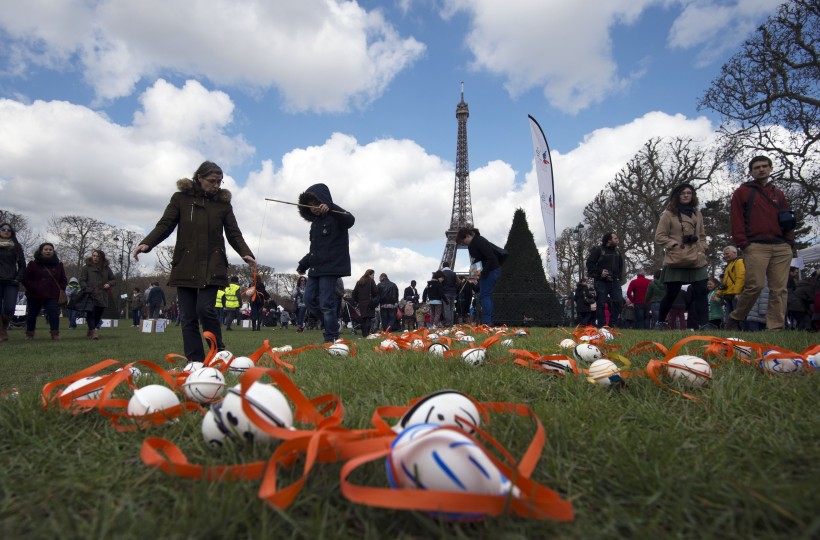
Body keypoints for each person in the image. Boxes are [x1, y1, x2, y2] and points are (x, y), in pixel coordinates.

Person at [133, 161, 256, 363]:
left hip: (213, 263)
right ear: (199, 177)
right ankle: (195, 361)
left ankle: (218, 353)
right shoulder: (180, 198)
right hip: (186, 263)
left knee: (205, 309)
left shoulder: (223, 204)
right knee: (188, 316)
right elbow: (165, 224)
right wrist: (147, 243)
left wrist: (245, 252)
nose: (216, 185)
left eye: (219, 181)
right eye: (212, 181)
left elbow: (234, 233)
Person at [726, 156, 794, 330]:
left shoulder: (778, 193)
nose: (761, 169)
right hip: (755, 245)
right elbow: (736, 219)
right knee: (755, 285)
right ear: (751, 172)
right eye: (757, 167)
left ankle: (775, 328)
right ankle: (736, 316)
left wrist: (789, 241)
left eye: (765, 166)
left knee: (779, 289)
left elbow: (786, 218)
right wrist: (743, 243)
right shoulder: (742, 192)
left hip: (781, 245)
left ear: (771, 168)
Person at [296, 183, 355, 343]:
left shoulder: (336, 216)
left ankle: (331, 337)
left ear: (324, 201)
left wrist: (331, 207)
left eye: (316, 203)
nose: (313, 208)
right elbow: (315, 251)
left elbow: (350, 219)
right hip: (315, 269)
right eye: (310, 205)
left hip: (330, 268)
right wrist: (303, 264)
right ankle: (332, 324)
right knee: (308, 300)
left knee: (326, 303)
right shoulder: (314, 224)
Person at [654, 184, 709, 330]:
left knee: (701, 291)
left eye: (689, 193)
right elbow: (659, 237)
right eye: (682, 193)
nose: (686, 195)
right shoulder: (668, 214)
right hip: (677, 258)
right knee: (672, 293)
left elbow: (702, 235)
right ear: (676, 196)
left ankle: (704, 324)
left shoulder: (698, 214)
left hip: (697, 258)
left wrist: (703, 247)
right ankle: (660, 321)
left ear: (693, 195)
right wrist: (676, 245)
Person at [456, 227, 502, 326]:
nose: (464, 244)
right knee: (485, 295)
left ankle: (487, 322)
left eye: (464, 242)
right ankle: (488, 321)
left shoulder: (479, 241)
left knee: (485, 295)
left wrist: (482, 273)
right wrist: (477, 272)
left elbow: (491, 258)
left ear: (468, 236)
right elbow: (479, 259)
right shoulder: (475, 243)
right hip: (489, 270)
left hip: (490, 271)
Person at [22, 242, 68, 341]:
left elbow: (63, 280)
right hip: (34, 294)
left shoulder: (59, 265)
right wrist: (33, 287)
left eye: (50, 250)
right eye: (46, 249)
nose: (48, 251)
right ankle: (30, 333)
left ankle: (55, 333)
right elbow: (25, 279)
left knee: (53, 314)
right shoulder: (33, 264)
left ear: (53, 252)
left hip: (52, 294)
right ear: (41, 251)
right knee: (32, 314)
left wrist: (60, 288)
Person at [585, 232, 625, 328]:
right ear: (609, 240)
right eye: (615, 238)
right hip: (601, 280)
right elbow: (589, 263)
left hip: (614, 280)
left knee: (619, 301)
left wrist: (618, 276)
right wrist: (600, 272)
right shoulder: (598, 250)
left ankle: (612, 323)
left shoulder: (617, 252)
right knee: (601, 303)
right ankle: (602, 325)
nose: (617, 240)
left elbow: (620, 265)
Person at [79, 249, 115, 340]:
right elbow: (82, 280)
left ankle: (91, 329)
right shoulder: (86, 267)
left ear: (101, 258)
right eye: (94, 255)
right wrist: (86, 288)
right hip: (90, 294)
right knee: (90, 313)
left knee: (98, 314)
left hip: (102, 294)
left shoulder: (106, 268)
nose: (95, 258)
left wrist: (109, 284)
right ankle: (94, 331)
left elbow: (113, 279)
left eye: (98, 256)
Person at [0, 223, 26, 342]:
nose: (6, 231)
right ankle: (1, 332)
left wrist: (18, 278)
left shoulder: (16, 246)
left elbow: (22, 265)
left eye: (9, 230)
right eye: (3, 229)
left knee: (9, 308)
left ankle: (4, 327)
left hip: (11, 281)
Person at [716, 246, 745, 327]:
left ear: (734, 252)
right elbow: (725, 281)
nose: (725, 256)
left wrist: (737, 292)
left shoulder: (739, 262)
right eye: (724, 254)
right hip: (729, 294)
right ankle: (732, 331)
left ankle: (740, 330)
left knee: (737, 315)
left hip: (735, 294)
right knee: (730, 316)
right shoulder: (729, 265)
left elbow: (741, 277)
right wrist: (719, 292)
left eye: (727, 254)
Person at [352, 270, 378, 337]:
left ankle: (364, 334)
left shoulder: (359, 282)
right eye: (373, 275)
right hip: (369, 303)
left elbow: (354, 293)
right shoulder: (371, 281)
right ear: (369, 274)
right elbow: (375, 292)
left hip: (361, 303)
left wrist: (358, 300)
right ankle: (366, 335)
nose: (373, 277)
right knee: (368, 319)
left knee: (363, 319)